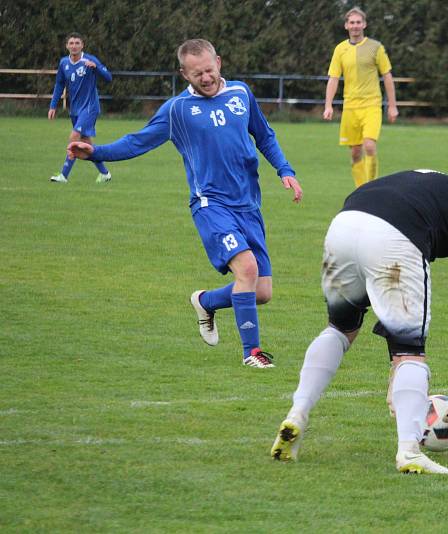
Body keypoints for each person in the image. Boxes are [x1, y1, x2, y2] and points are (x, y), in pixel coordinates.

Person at [67, 39, 303, 368]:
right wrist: (98, 152)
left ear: (218, 63)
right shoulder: (178, 110)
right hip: (211, 205)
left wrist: (285, 170)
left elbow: (264, 135)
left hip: (248, 205)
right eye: (196, 74)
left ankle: (205, 301)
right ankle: (252, 353)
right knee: (247, 269)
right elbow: (139, 141)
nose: (205, 78)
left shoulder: (241, 94)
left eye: (208, 70)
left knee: (260, 291)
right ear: (184, 74)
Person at [270, 166, 448, 475]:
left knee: (340, 329)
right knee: (411, 352)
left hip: (345, 223)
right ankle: (409, 451)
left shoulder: (429, 182)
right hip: (394, 235)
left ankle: (296, 415)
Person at [323, 7, 399, 188]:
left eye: (358, 22)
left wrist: (392, 106)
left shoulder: (376, 47)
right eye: (352, 22)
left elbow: (387, 76)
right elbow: (333, 79)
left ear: (364, 24)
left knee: (369, 146)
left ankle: (372, 187)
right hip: (350, 107)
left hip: (372, 105)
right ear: (346, 26)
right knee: (356, 153)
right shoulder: (340, 49)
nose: (355, 26)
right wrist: (328, 105)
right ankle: (361, 189)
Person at [48, 33, 113, 184]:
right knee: (86, 145)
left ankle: (63, 175)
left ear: (82, 45)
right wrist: (53, 106)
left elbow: (108, 77)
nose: (74, 46)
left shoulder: (90, 59)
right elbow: (59, 85)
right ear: (67, 46)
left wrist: (96, 67)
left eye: (77, 43)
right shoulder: (63, 63)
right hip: (75, 109)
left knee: (74, 137)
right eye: (71, 43)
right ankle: (105, 173)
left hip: (90, 107)